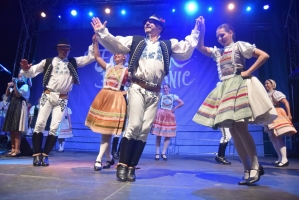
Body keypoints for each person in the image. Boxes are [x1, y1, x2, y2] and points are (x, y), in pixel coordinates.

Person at [91, 14, 200, 182]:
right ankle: (122, 165)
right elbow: (116, 44)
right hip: (137, 87)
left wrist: (196, 31)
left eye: (152, 22)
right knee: (134, 125)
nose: (148, 23)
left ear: (160, 27)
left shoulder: (167, 44)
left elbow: (186, 49)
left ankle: (131, 167)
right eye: (146, 22)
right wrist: (102, 32)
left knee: (143, 131)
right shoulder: (137, 41)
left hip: (154, 91)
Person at [192, 16, 277, 185]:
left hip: (239, 85)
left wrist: (248, 71)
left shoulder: (239, 46)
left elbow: (264, 55)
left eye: (223, 34)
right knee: (233, 129)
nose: (220, 38)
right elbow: (200, 47)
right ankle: (247, 168)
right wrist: (201, 29)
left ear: (231, 32)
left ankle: (254, 166)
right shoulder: (219, 52)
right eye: (217, 36)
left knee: (240, 127)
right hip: (225, 88)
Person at [20, 38, 95, 167]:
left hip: (62, 98)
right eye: (63, 49)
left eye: (68, 49)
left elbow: (90, 58)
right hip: (47, 95)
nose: (66, 51)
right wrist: (26, 69)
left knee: (55, 127)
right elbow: (32, 72)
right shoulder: (48, 61)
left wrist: (94, 43)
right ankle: (36, 155)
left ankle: (45, 155)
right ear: (58, 49)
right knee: (39, 124)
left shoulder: (73, 62)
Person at [85, 35, 128, 171]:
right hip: (104, 97)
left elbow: (135, 85)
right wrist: (95, 43)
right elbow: (97, 57)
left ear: (124, 57)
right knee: (106, 131)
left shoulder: (127, 71)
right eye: (115, 54)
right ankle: (109, 158)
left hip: (116, 100)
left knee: (107, 131)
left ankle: (99, 159)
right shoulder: (109, 67)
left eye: (119, 54)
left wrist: (125, 92)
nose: (116, 55)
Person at [264, 79, 297, 167]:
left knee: (277, 136)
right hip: (269, 115)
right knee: (272, 138)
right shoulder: (265, 95)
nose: (266, 85)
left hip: (276, 113)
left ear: (272, 84)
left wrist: (289, 114)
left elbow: (286, 102)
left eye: (267, 83)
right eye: (265, 83)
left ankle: (284, 159)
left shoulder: (275, 93)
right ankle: (280, 158)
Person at [151, 83, 184, 161]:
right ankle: (157, 153)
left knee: (168, 135)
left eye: (166, 88)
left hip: (169, 115)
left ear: (169, 88)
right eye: (164, 88)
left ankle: (163, 153)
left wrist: (174, 109)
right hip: (161, 114)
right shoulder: (161, 95)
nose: (165, 89)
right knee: (158, 134)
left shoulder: (173, 96)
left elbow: (182, 102)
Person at [2, 73, 30, 157]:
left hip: (19, 105)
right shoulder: (16, 85)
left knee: (16, 128)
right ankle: (13, 148)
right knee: (11, 128)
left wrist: (15, 84)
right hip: (12, 106)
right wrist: (8, 86)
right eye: (19, 76)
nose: (19, 77)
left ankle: (17, 150)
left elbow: (18, 94)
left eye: (21, 76)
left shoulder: (25, 86)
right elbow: (7, 95)